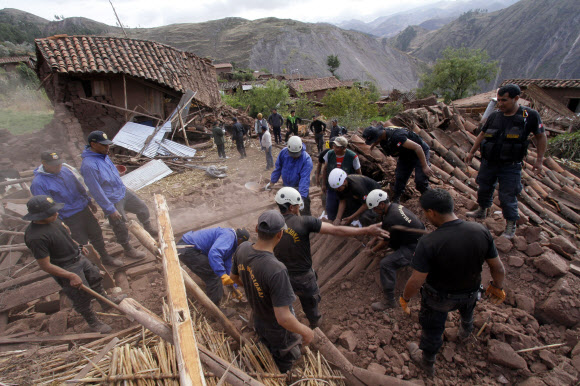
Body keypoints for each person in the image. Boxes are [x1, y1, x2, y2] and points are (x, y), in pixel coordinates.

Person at [400, 189, 506, 377]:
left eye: (425, 212)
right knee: (468, 312)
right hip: (471, 292)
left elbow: (417, 280)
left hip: (439, 299)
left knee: (433, 329)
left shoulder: (429, 242)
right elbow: (497, 268)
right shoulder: (480, 231)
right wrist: (497, 287)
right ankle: (465, 333)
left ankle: (428, 362)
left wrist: (405, 298)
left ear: (431, 212)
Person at [273, 187, 390, 328]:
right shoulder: (305, 222)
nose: (299, 208)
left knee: (283, 304)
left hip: (281, 275)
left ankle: (287, 323)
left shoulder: (272, 223)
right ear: (291, 207)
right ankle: (315, 324)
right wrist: (366, 230)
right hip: (304, 277)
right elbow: (336, 230)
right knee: (311, 305)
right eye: (298, 205)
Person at [23, 195, 126, 333]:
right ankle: (93, 322)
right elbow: (45, 265)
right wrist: (70, 276)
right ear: (39, 216)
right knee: (80, 297)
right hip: (65, 267)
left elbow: (65, 235)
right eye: (52, 212)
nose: (56, 213)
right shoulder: (35, 237)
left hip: (78, 257)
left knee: (95, 279)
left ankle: (106, 302)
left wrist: (77, 246)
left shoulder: (54, 219)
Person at [231, 210, 313, 373]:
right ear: (280, 235)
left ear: (256, 229)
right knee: (285, 359)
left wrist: (252, 288)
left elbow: (234, 277)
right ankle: (282, 374)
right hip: (278, 332)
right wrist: (306, 331)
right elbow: (283, 318)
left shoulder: (243, 249)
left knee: (266, 342)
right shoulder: (276, 269)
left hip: (259, 319)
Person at [465, 84, 547, 239]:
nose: (501, 104)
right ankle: (482, 210)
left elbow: (541, 136)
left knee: (507, 195)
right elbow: (482, 134)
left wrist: (539, 160)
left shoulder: (529, 116)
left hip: (510, 165)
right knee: (484, 187)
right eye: (499, 100)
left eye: (504, 100)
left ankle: (510, 225)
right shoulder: (495, 116)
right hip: (489, 162)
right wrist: (471, 152)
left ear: (516, 99)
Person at [30, 151, 123, 267]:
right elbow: (46, 207)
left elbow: (79, 186)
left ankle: (105, 257)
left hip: (83, 209)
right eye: (55, 165)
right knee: (81, 242)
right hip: (67, 217)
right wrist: (59, 223)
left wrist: (88, 201)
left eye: (59, 163)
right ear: (44, 164)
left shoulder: (64, 171)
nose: (58, 166)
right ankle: (92, 266)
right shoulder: (38, 184)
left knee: (96, 233)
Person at [80, 131, 155, 260]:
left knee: (142, 207)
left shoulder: (103, 155)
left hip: (122, 191)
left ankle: (148, 228)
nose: (107, 148)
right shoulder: (89, 166)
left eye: (108, 145)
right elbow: (96, 190)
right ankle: (128, 249)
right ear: (93, 144)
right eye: (104, 145)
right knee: (120, 224)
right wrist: (110, 209)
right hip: (112, 199)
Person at [365, 189, 425, 309]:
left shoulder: (391, 218)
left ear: (381, 204)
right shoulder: (394, 207)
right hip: (417, 239)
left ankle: (389, 301)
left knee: (386, 264)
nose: (374, 212)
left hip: (416, 248)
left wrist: (372, 251)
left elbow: (385, 241)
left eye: (375, 208)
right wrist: (373, 240)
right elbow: (385, 227)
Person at [178, 227, 250, 305]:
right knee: (214, 275)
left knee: (214, 269)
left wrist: (234, 287)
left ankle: (214, 294)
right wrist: (222, 274)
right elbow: (214, 254)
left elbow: (227, 264)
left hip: (190, 247)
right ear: (240, 240)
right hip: (188, 248)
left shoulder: (231, 243)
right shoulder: (229, 236)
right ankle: (215, 307)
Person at [362, 126, 433, 203]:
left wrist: (425, 166)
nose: (375, 142)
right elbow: (378, 140)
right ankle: (397, 198)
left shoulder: (396, 137)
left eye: (374, 140)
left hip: (419, 152)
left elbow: (418, 147)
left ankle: (430, 198)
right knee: (400, 176)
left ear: (378, 136)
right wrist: (372, 146)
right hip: (406, 154)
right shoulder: (383, 136)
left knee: (420, 180)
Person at [268, 136, 313, 215]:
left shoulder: (306, 160)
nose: (294, 156)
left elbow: (304, 180)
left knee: (304, 213)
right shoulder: (283, 153)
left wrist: (301, 198)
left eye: (296, 154)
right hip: (286, 187)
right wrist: (272, 182)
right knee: (287, 212)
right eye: (292, 154)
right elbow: (278, 168)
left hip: (299, 189)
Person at [320, 137, 361, 221]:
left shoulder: (352, 156)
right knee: (330, 208)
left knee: (345, 208)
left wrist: (357, 187)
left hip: (346, 188)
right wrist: (324, 184)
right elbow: (325, 169)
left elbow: (358, 172)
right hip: (332, 187)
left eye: (338, 147)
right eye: (334, 146)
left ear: (344, 148)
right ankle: (332, 222)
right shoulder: (329, 154)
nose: (335, 148)